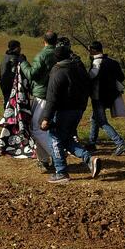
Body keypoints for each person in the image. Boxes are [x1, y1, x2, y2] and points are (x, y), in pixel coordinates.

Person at [39, 41, 100, 184]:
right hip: (78, 109)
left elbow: (52, 97)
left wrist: (46, 117)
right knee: (66, 139)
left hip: (63, 111)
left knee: (54, 138)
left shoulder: (58, 71)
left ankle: (61, 172)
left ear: (56, 58)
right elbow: (87, 86)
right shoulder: (78, 67)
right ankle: (90, 160)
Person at [20, 31, 59, 169]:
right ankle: (43, 159)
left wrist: (23, 62)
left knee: (35, 128)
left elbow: (32, 74)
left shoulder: (43, 55)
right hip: (56, 95)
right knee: (46, 129)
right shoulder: (59, 53)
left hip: (42, 95)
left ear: (44, 41)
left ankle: (56, 155)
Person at [87, 41, 125, 156]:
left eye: (90, 49)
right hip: (110, 96)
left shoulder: (96, 62)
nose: (89, 51)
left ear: (94, 50)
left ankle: (120, 143)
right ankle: (91, 143)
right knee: (95, 118)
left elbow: (91, 76)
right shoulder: (113, 62)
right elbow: (121, 77)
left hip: (98, 96)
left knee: (101, 121)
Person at [0, 40, 22, 108]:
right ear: (15, 48)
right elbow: (13, 73)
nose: (20, 48)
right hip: (10, 85)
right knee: (10, 103)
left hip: (4, 84)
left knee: (8, 101)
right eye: (19, 47)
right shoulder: (13, 58)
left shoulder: (6, 56)